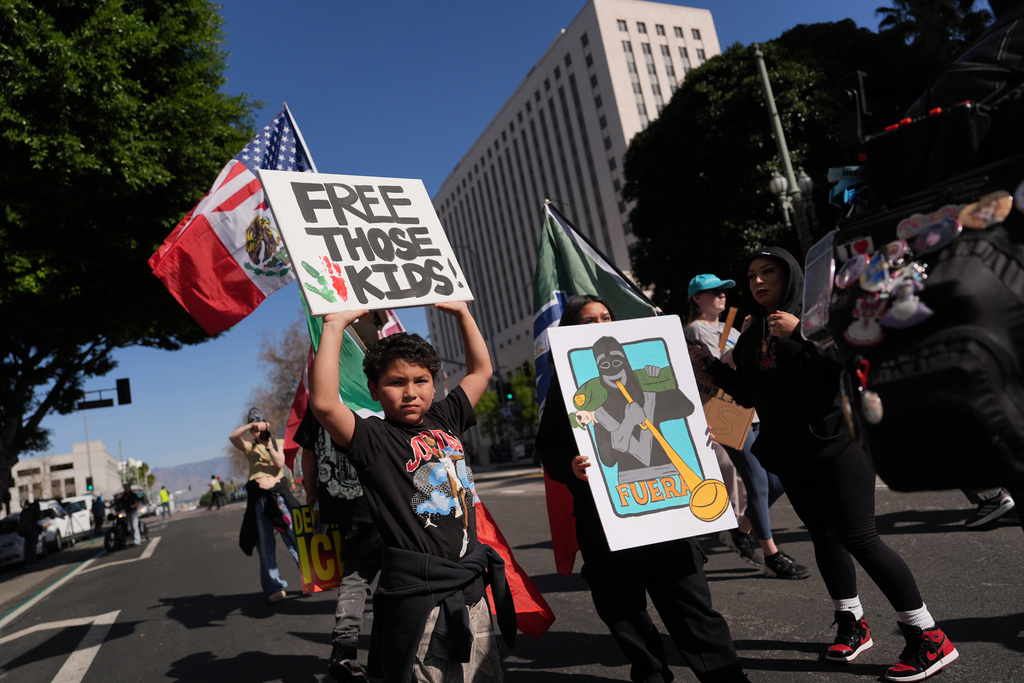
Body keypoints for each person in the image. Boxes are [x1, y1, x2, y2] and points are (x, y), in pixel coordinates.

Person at [693, 247, 958, 681]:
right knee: (824, 537)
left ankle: (929, 637)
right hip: (790, 451)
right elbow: (749, 393)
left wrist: (802, 334)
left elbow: (849, 366)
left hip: (838, 443)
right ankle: (852, 623)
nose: (758, 282)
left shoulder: (822, 316)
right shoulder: (754, 328)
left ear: (792, 276)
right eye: (752, 275)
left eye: (769, 272)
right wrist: (711, 369)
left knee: (861, 538)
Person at [536, 294, 750, 683]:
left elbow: (685, 410)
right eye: (588, 321)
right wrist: (570, 464)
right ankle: (651, 674)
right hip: (608, 519)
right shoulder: (573, 393)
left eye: (606, 317)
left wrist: (700, 430)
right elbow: (551, 448)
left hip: (669, 514)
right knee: (624, 613)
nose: (600, 324)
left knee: (692, 608)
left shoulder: (650, 381)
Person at [310, 302, 515, 683]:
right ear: (374, 389)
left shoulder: (445, 417)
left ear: (433, 384)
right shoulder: (373, 438)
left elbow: (481, 370)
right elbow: (323, 404)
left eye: (420, 381)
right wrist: (335, 325)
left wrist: (464, 315)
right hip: (424, 600)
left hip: (472, 589)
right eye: (395, 382)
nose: (410, 392)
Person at [685, 273, 810, 580]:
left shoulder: (730, 326)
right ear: (696, 299)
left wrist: (746, 338)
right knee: (757, 480)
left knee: (779, 479)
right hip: (723, 412)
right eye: (712, 292)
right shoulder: (694, 329)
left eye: (723, 291)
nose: (720, 296)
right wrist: (743, 341)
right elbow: (712, 370)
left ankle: (740, 530)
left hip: (751, 411)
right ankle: (772, 556)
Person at [297, 406, 383, 683]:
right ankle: (388, 654)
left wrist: (312, 494)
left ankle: (345, 647)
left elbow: (307, 451)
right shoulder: (378, 389)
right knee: (399, 574)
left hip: (342, 506)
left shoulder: (320, 402)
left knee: (356, 573)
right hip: (384, 500)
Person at [230, 408, 300, 603]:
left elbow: (279, 464)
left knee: (295, 537)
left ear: (267, 425)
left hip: (280, 499)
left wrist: (268, 443)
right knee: (265, 543)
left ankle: (312, 577)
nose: (258, 432)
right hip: (260, 501)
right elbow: (232, 437)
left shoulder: (276, 442)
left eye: (260, 426)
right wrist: (250, 426)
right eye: (255, 429)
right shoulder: (250, 448)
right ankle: (274, 586)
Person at [18, 499, 41, 564]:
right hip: (31, 531)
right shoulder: (31, 512)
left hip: (27, 531)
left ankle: (29, 561)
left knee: (28, 547)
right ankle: (32, 561)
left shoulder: (25, 512)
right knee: (32, 547)